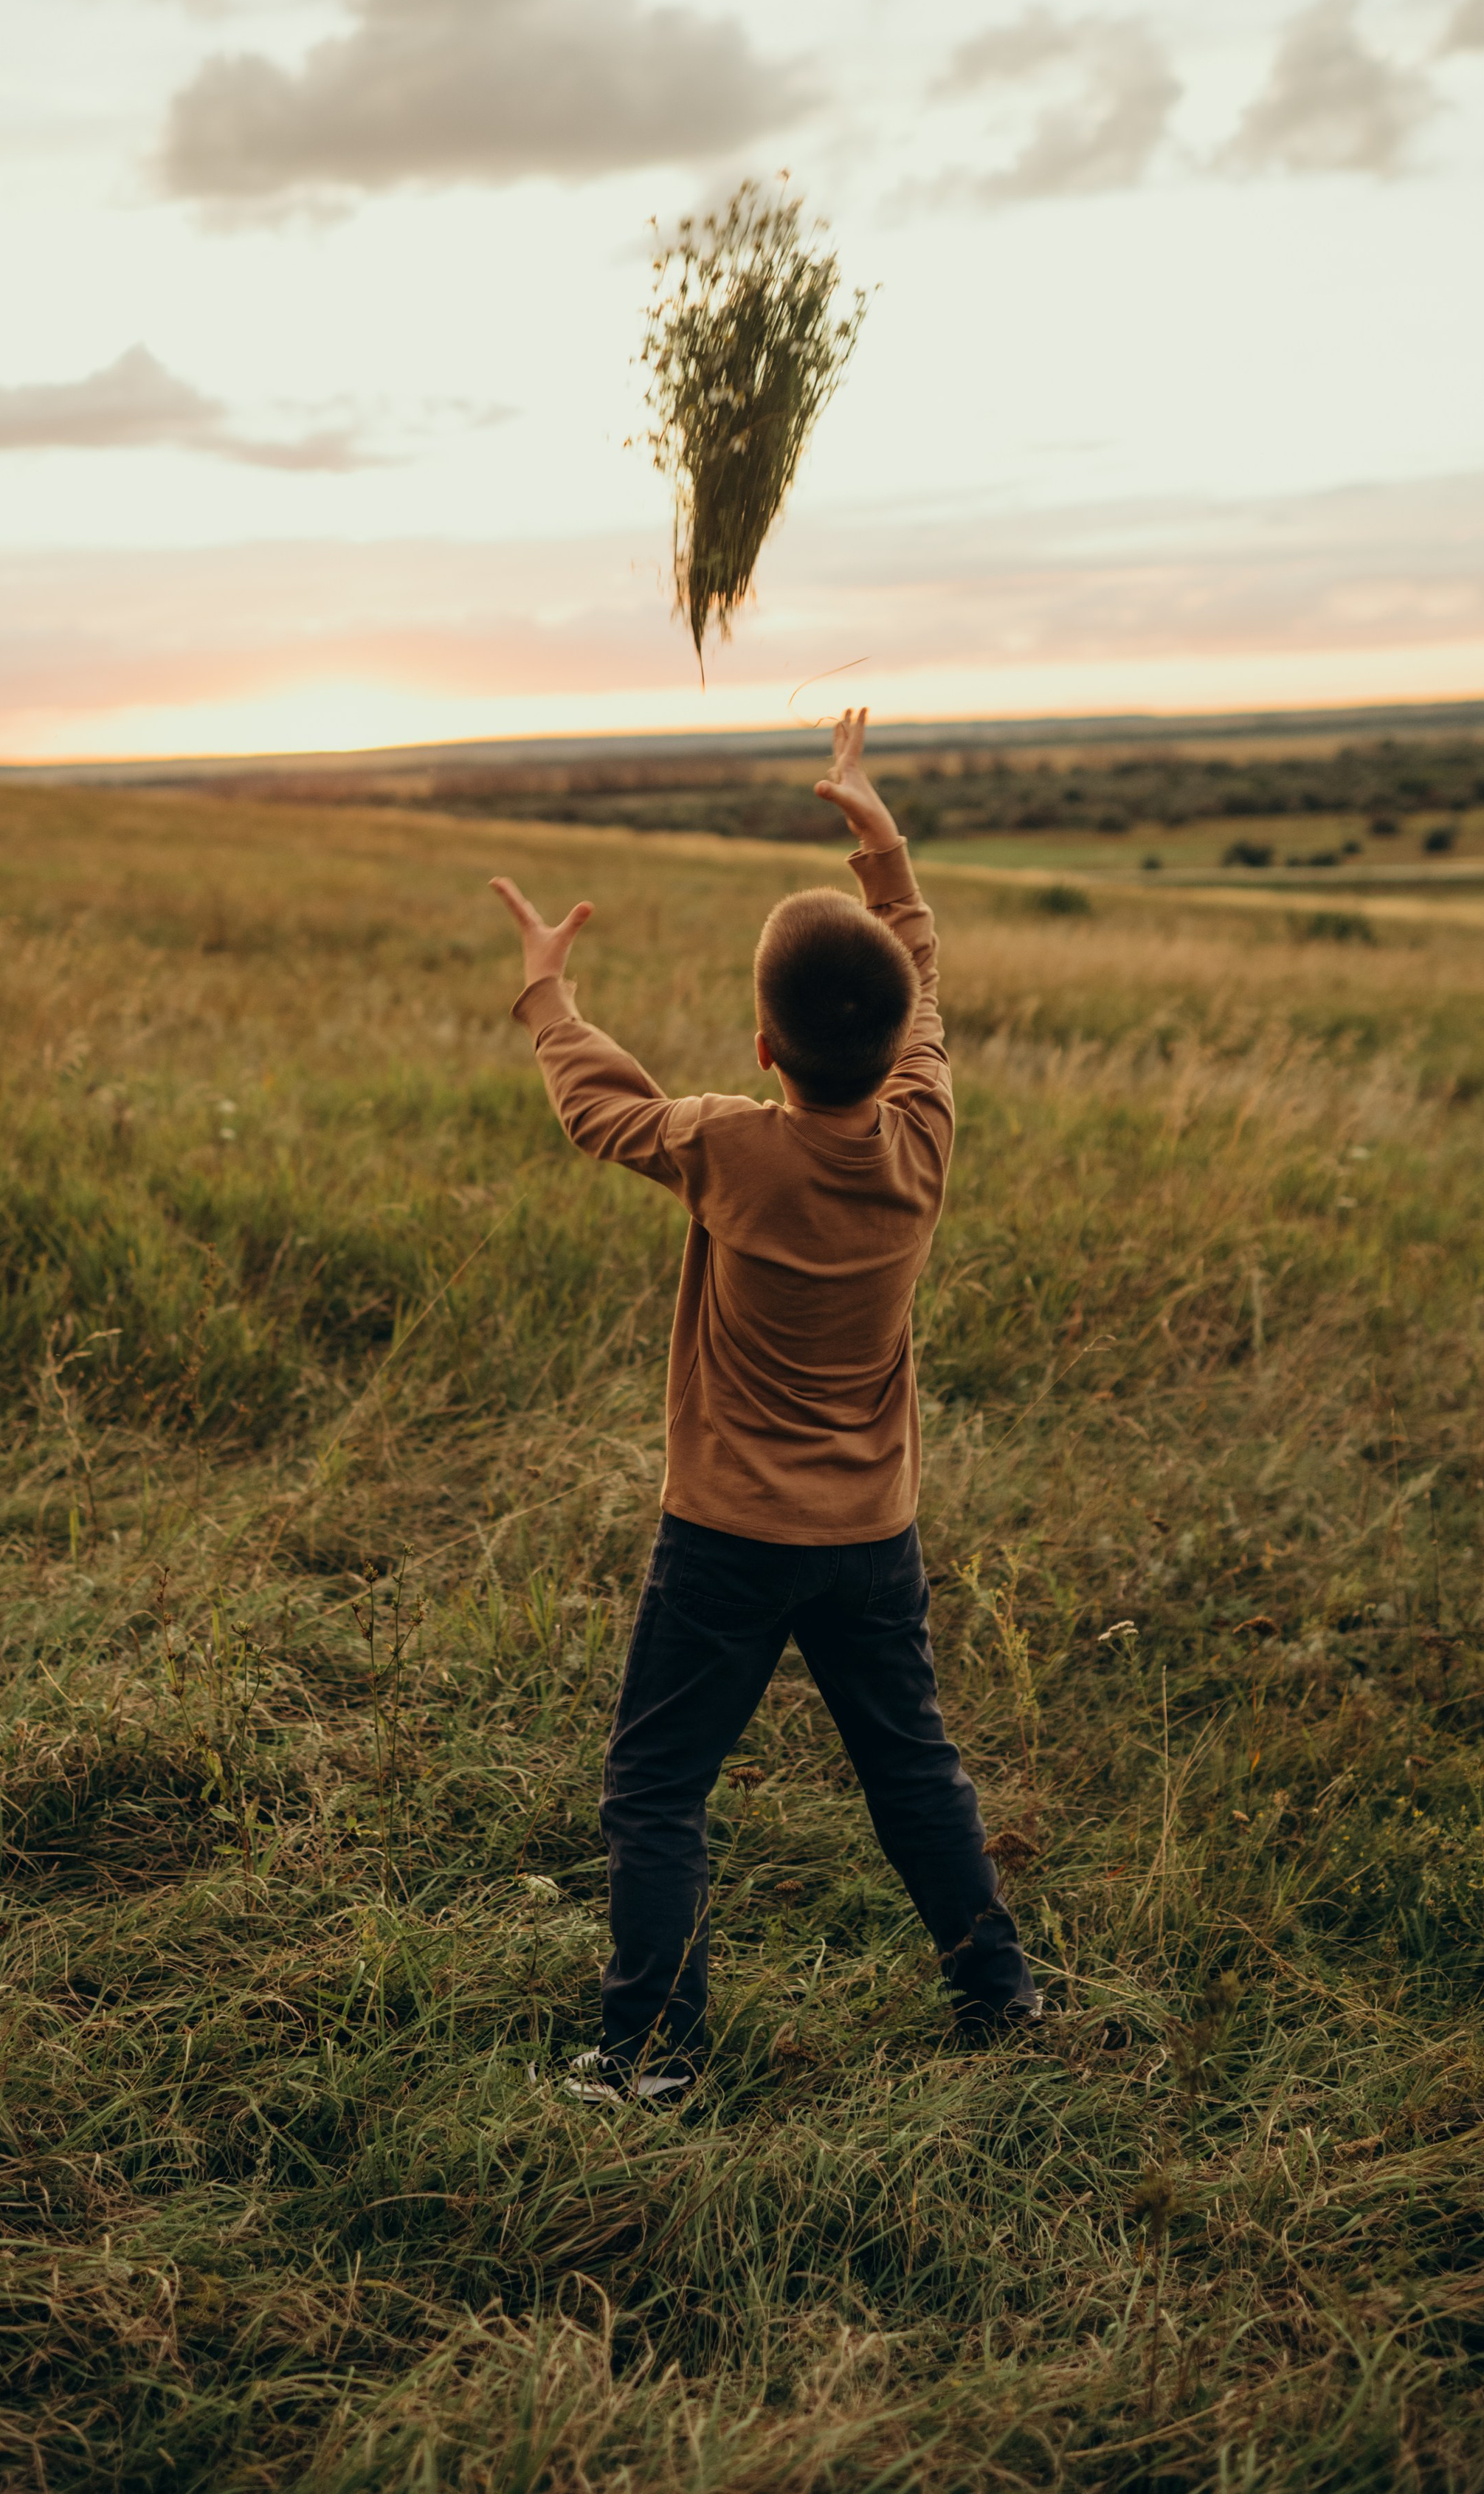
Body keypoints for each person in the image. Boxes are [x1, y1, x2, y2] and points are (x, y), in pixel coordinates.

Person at [489, 709, 1039, 2101]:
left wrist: (549, 994)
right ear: (898, 1044)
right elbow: (921, 985)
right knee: (914, 1773)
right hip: (871, 1538)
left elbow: (601, 1110)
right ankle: (1001, 1997)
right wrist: (881, 839)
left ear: (763, 1045)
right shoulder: (923, 1137)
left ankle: (651, 2058)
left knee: (657, 1792)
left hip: (728, 1538)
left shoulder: (728, 1145)